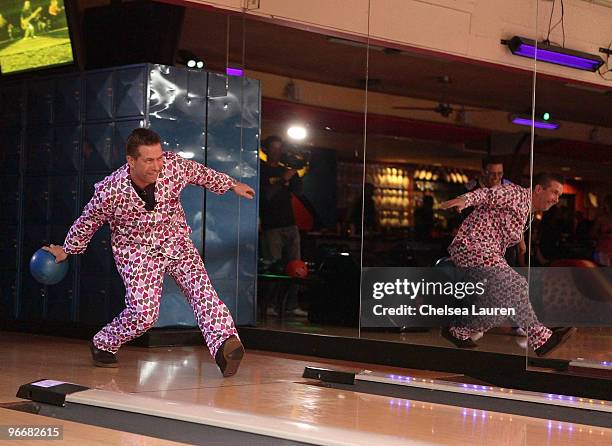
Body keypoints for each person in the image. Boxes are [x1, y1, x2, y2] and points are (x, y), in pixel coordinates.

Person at [43, 128, 255, 376]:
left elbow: (201, 173)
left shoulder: (173, 167)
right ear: (131, 161)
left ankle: (224, 346)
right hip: (137, 251)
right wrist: (67, 249)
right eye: (149, 160)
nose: (157, 166)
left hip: (176, 241)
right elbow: (88, 221)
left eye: (159, 158)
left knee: (203, 294)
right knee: (144, 314)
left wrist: (231, 184)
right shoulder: (110, 191)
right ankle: (104, 343)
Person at [439, 173, 576, 356]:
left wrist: (519, 241)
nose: (556, 200)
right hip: (472, 246)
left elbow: (504, 221)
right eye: (554, 193)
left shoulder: (527, 210)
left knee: (500, 307)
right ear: (538, 189)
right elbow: (488, 194)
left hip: (487, 251)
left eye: (559, 195)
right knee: (516, 285)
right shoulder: (516, 194)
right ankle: (542, 339)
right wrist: (465, 199)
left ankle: (458, 331)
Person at [259, 135, 306, 317]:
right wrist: (282, 180)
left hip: (290, 224)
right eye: (273, 148)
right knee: (273, 267)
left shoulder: (284, 169)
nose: (277, 152)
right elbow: (266, 196)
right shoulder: (262, 170)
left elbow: (299, 192)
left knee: (296, 267)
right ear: (266, 150)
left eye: (279, 149)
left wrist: (293, 174)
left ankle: (290, 305)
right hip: (272, 225)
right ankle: (269, 304)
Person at [591, 194, 612, 266]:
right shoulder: (601, 219)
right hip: (602, 251)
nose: (604, 206)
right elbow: (592, 234)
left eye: (606, 204)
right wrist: (605, 235)